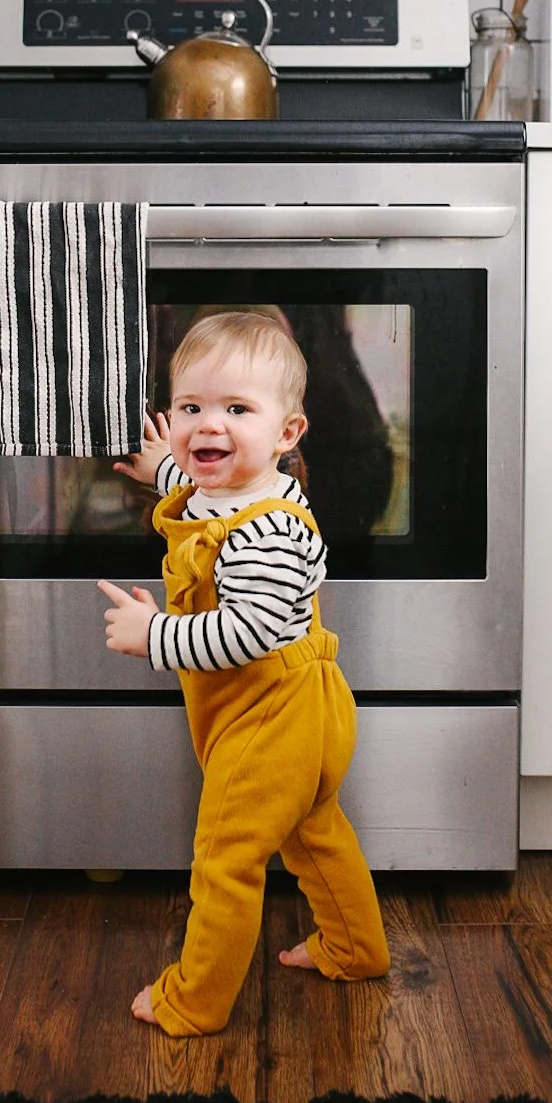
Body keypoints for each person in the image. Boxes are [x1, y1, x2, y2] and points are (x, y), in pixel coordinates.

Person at [98, 309, 390, 1036]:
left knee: (225, 856)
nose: (207, 426)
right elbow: (206, 485)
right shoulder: (245, 491)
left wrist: (154, 634)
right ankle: (355, 948)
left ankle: (194, 999)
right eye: (191, 406)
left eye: (236, 409)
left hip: (270, 717)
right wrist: (158, 467)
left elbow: (251, 629)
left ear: (286, 433)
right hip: (305, 712)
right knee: (314, 830)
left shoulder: (266, 530)